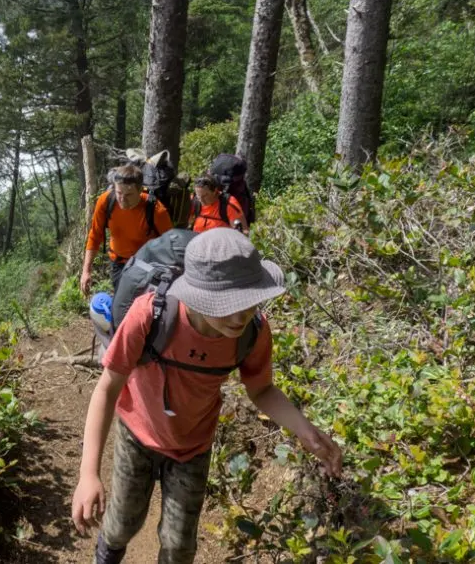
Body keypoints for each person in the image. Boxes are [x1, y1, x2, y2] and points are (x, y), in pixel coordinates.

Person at [71, 229, 343, 563]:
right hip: (137, 436)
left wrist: (306, 431)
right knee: (120, 525)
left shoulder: (252, 332)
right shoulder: (149, 314)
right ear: (195, 295)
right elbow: (108, 387)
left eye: (247, 302)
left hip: (193, 446)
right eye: (225, 305)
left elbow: (262, 389)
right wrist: (88, 474)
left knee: (179, 546)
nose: (239, 316)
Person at [83, 164, 173, 294]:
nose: (122, 199)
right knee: (122, 306)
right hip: (118, 263)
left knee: (141, 307)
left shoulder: (156, 210)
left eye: (129, 194)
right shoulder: (106, 201)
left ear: (140, 190)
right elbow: (95, 235)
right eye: (119, 192)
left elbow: (170, 244)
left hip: (147, 266)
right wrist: (86, 271)